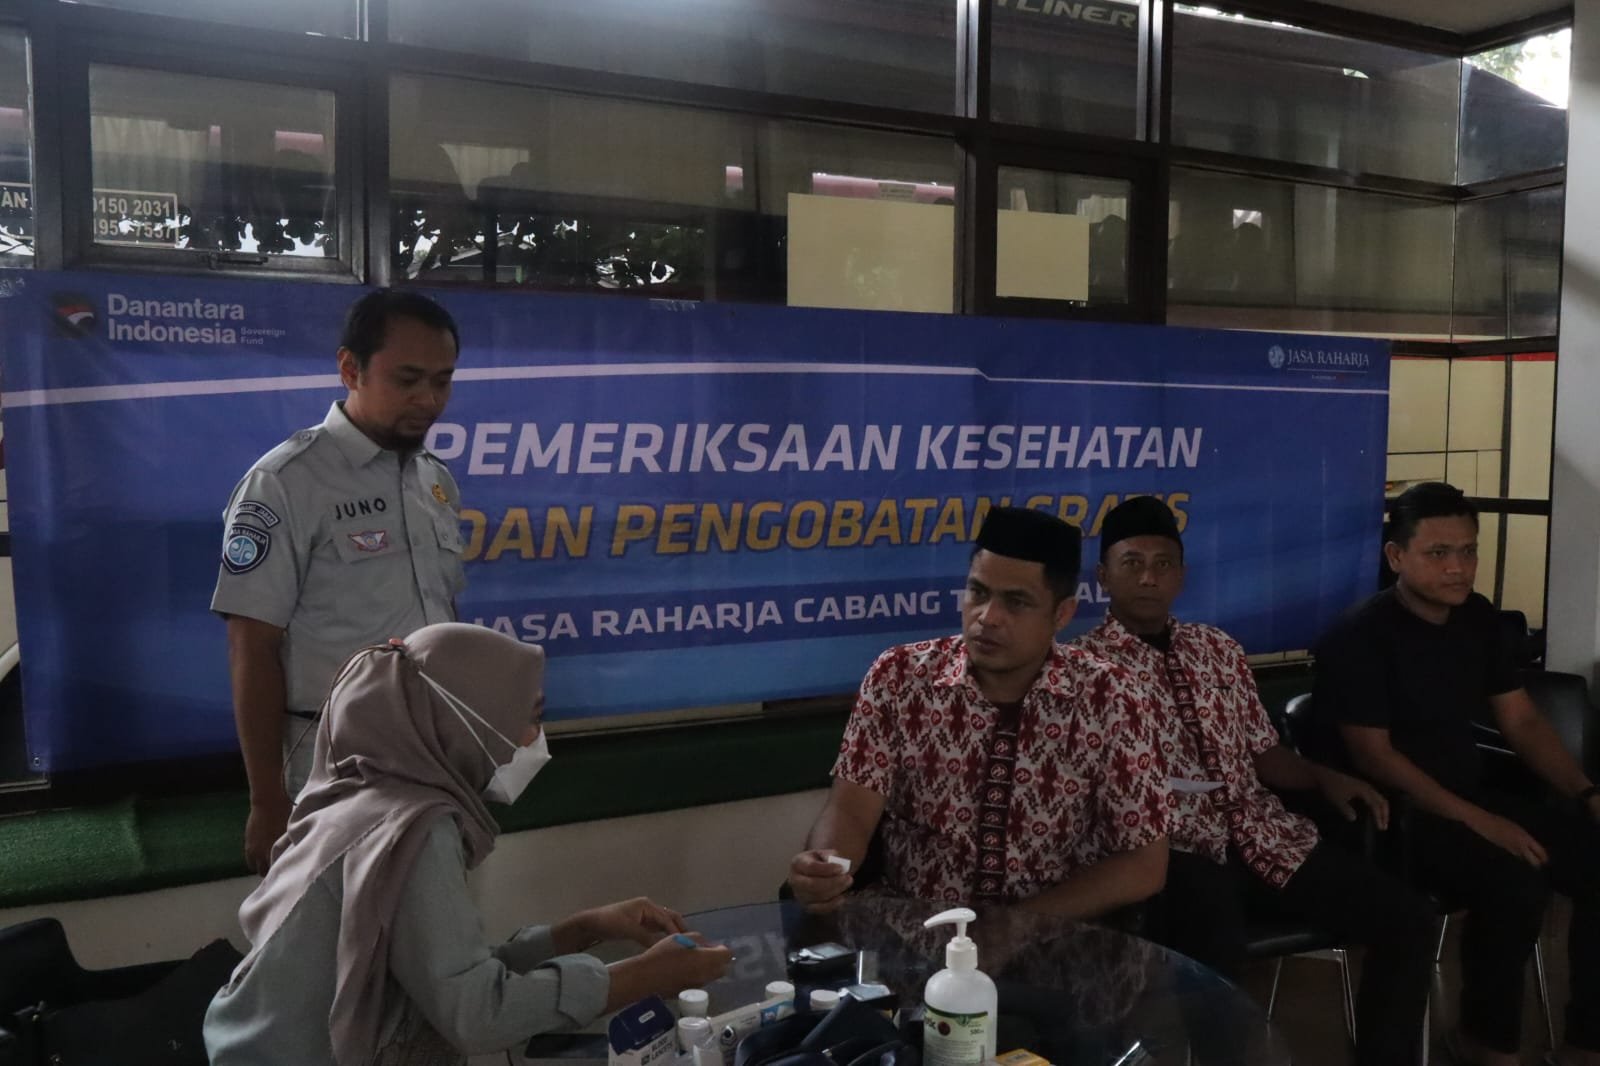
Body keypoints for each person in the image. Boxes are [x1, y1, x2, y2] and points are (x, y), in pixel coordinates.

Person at [204, 623, 733, 1065]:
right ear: (465, 720)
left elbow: (441, 975)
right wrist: (643, 977)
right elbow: (477, 1015)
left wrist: (581, 929)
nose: (532, 739)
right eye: (530, 716)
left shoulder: (362, 797)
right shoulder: (412, 829)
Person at [1074, 495, 1434, 1066]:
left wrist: (1323, 777)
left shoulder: (1218, 649)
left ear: (1181, 575)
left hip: (1264, 836)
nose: (1148, 577)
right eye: (1131, 563)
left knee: (1409, 920)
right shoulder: (1079, 671)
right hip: (1171, 853)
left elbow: (1264, 753)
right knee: (1214, 935)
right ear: (1102, 577)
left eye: (1163, 564)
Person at [1315, 482, 1600, 1066]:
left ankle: (1586, 1040)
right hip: (1395, 817)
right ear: (1396, 556)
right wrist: (1482, 822)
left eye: (1468, 551)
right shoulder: (1359, 635)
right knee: (1516, 882)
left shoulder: (1478, 618)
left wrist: (1585, 790)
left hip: (1470, 794)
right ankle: (1485, 1042)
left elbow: (1521, 721)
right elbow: (1375, 757)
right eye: (1439, 553)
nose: (1458, 567)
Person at [787, 506, 1170, 920]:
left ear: (1062, 614)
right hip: (916, 929)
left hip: (1053, 935)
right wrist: (825, 865)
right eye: (978, 593)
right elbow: (850, 811)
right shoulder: (900, 677)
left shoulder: (1111, 697)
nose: (987, 617)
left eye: (1016, 602)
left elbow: (1144, 865)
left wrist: (1015, 926)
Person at [212, 289, 467, 874]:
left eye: (443, 381)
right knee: (338, 923)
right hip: (331, 767)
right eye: (408, 379)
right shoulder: (284, 483)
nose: (429, 400)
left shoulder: (433, 481)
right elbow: (251, 649)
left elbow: (439, 616)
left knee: (435, 919)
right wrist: (266, 801)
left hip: (432, 755)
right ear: (351, 369)